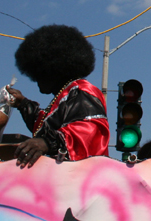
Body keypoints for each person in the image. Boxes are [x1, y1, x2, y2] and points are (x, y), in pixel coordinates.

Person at [7, 25, 109, 168]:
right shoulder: (65, 96)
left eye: (40, 72)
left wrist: (47, 143)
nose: (35, 79)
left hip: (84, 178)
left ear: (53, 69)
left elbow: (89, 132)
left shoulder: (82, 91)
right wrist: (22, 104)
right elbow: (44, 127)